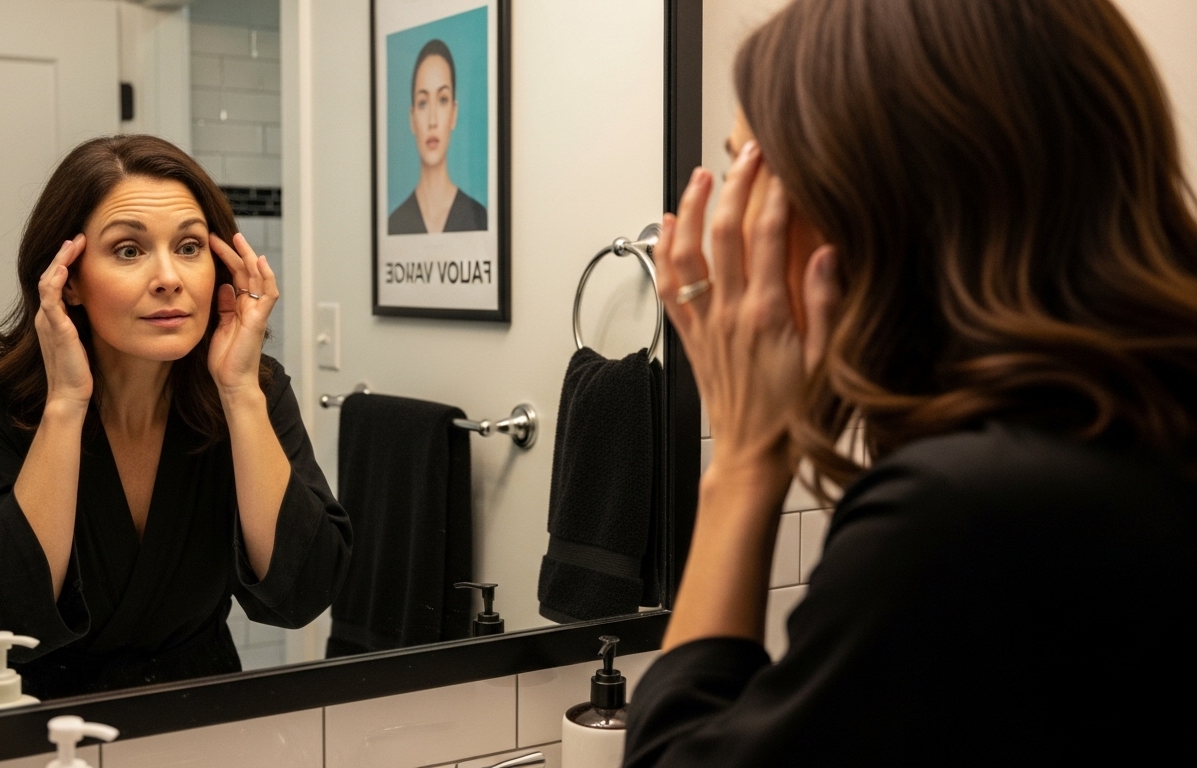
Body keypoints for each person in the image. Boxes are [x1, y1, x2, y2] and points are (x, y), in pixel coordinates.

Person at [627, 0, 1197, 763]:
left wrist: (742, 459)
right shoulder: (1138, 443)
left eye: (748, 177)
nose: (717, 235)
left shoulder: (961, 519)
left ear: (869, 197)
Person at [0, 135, 352, 700]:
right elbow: (1, 615)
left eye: (189, 247)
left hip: (199, 715)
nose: (170, 277)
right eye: (129, 251)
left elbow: (303, 593)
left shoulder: (251, 390)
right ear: (68, 282)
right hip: (33, 717)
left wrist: (239, 391)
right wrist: (65, 402)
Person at [388, 38, 488, 235]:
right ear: (412, 118)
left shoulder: (479, 218)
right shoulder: (394, 224)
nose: (432, 120)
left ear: (454, 113)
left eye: (442, 100)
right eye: (423, 103)